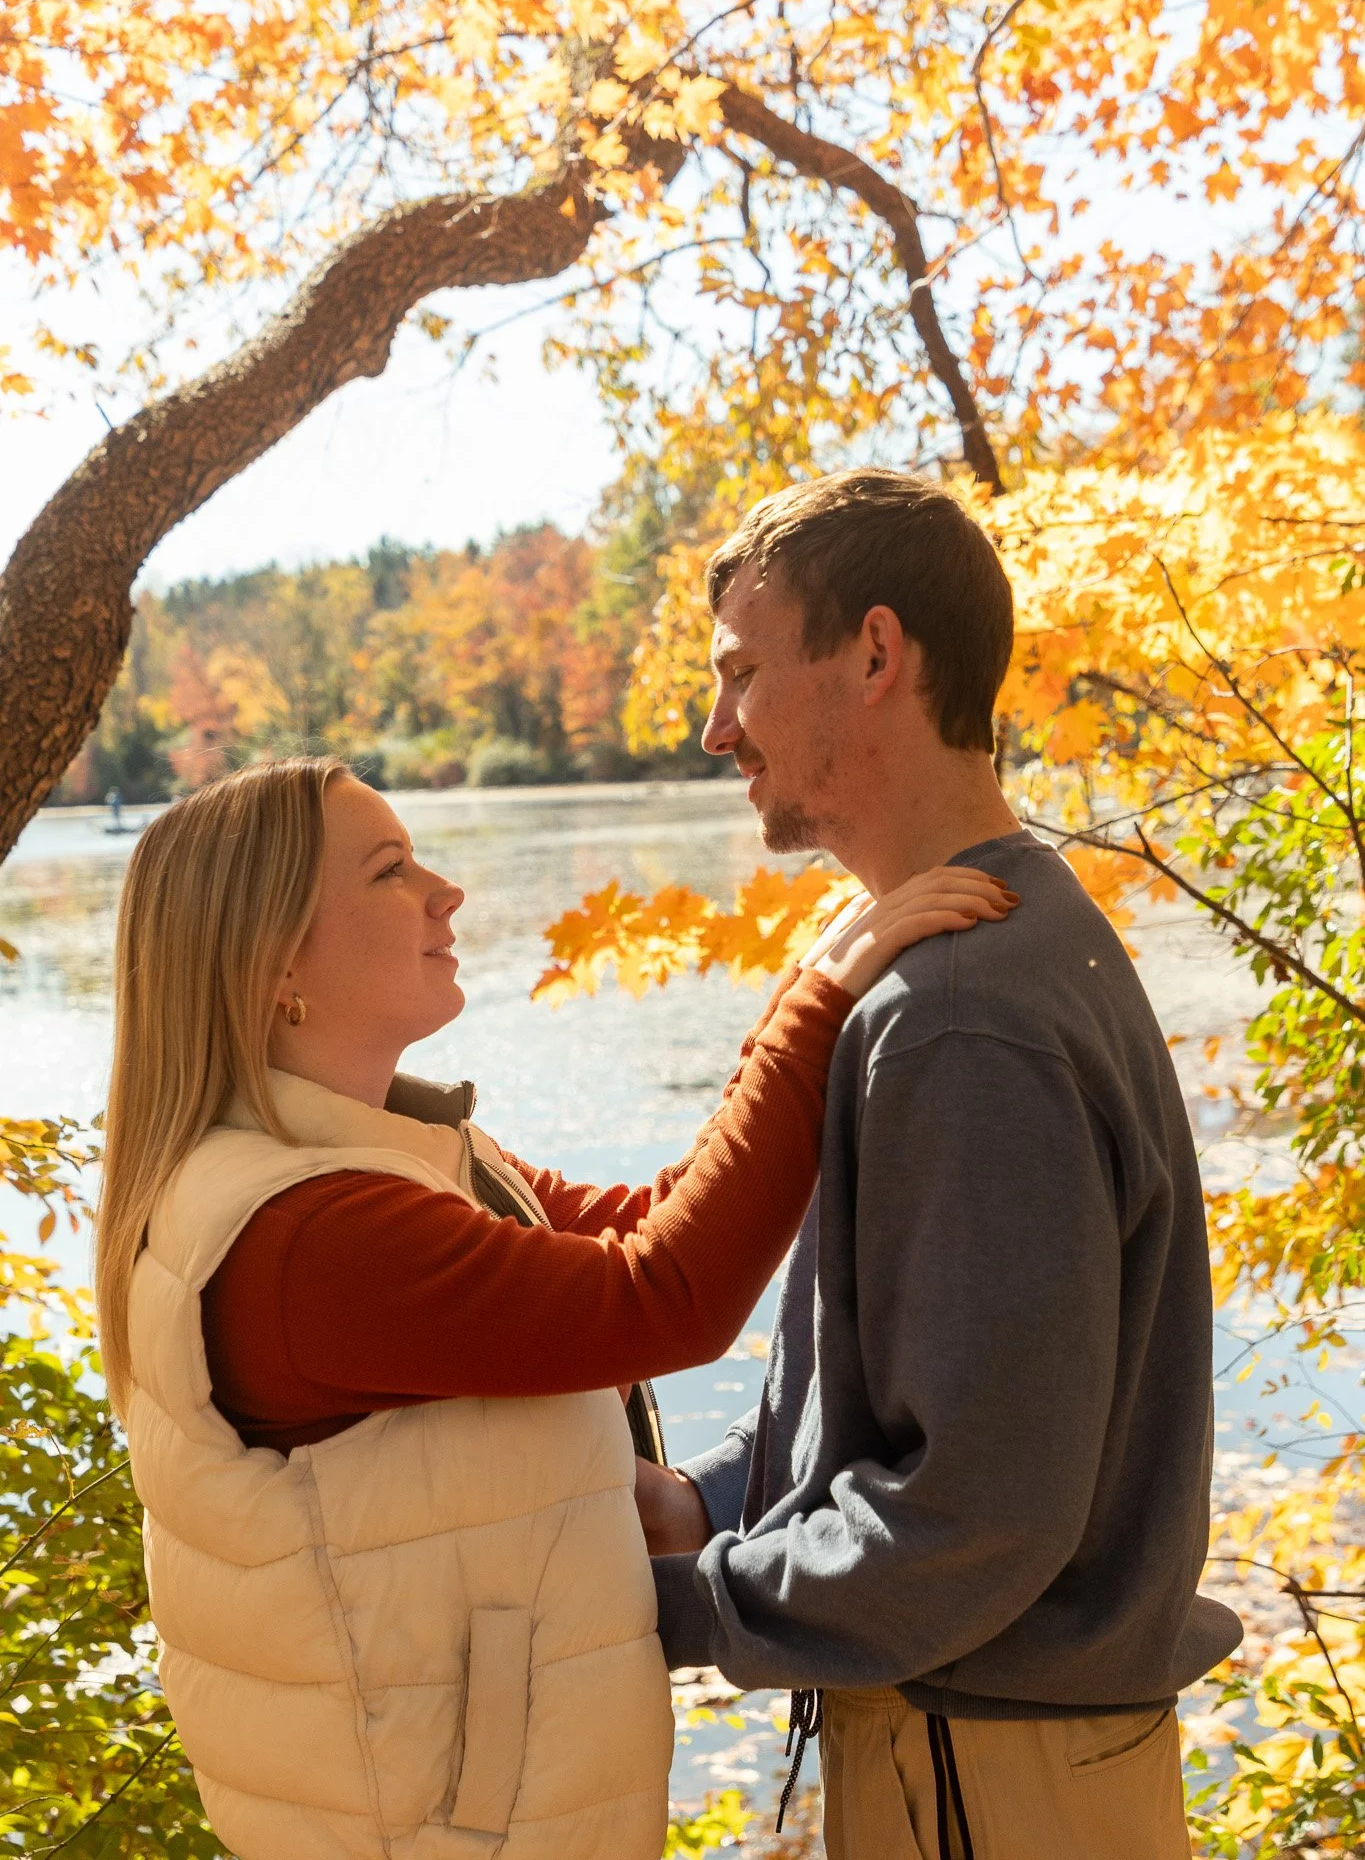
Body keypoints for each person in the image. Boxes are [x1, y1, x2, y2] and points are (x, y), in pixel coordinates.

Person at [93, 754, 1012, 1860]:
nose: (448, 890)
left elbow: (656, 1217)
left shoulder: (388, 1151)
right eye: (391, 869)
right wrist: (815, 1007)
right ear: (278, 957)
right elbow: (663, 1294)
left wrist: (812, 1003)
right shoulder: (307, 1238)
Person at [636, 468, 1243, 1860]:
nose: (717, 725)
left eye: (740, 671)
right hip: (1018, 1761)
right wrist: (705, 1502)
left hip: (990, 1778)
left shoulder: (959, 1014)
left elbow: (970, 1517)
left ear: (872, 654)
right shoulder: (1006, 940)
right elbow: (918, 1399)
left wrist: (668, 1605)